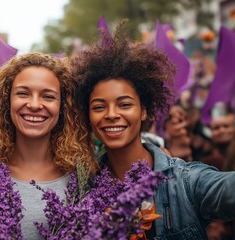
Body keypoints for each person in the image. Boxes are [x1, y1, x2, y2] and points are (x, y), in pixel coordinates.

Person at [71, 27, 235, 239]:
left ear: (144, 110)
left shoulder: (185, 182)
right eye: (99, 107)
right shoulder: (79, 190)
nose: (111, 114)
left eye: (124, 104)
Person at [0, 52, 96, 239]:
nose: (34, 104)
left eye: (48, 96)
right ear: (6, 101)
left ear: (63, 106)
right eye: (23, 93)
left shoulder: (82, 179)